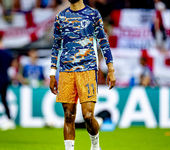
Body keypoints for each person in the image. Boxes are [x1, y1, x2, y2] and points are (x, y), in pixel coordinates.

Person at [49, 0, 116, 150]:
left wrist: (110, 69)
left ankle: (95, 145)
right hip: (66, 71)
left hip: (87, 70)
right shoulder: (61, 17)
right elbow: (56, 46)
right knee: (68, 115)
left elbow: (103, 42)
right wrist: (52, 73)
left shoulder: (93, 14)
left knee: (88, 116)